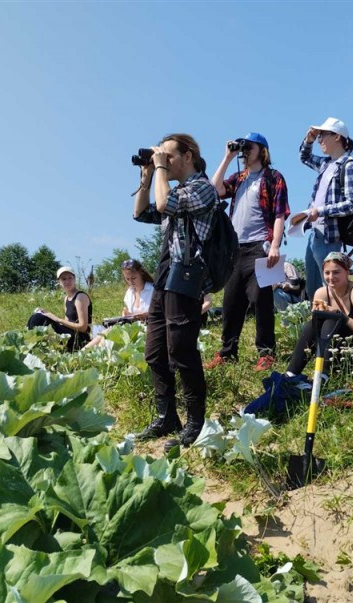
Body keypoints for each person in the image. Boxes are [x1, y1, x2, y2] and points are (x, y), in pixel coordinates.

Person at [132, 133, 217, 448]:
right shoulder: (173, 188)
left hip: (187, 276)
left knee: (182, 351)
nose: (163, 162)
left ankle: (196, 421)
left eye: (168, 156)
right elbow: (141, 212)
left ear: (189, 156)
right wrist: (146, 177)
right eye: (161, 157)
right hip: (165, 276)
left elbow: (163, 203)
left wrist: (159, 171)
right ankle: (167, 416)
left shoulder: (203, 189)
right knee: (155, 352)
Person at [205, 133, 290, 372]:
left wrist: (274, 245)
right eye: (243, 148)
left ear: (262, 150)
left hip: (259, 246)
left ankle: (266, 352)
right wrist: (227, 157)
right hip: (235, 248)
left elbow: (281, 212)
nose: (244, 151)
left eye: (248, 147)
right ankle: (227, 351)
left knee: (261, 300)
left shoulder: (273, 177)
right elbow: (215, 189)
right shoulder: (240, 177)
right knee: (231, 301)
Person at [295, 117, 353, 297]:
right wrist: (308, 139)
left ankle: (338, 320)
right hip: (315, 233)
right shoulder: (326, 164)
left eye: (323, 134)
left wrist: (321, 211)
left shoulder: (349, 165)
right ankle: (319, 321)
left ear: (337, 137)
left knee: (332, 287)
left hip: (330, 236)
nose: (319, 139)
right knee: (314, 286)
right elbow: (304, 157)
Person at [285, 252, 353, 379]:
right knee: (314, 323)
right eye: (327, 273)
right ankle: (291, 373)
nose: (331, 277)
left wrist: (339, 315)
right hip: (329, 346)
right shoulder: (322, 293)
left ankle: (323, 376)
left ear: (347, 272)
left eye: (336, 272)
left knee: (332, 320)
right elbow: (315, 329)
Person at [84, 259, 154, 349]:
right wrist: (126, 315)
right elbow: (128, 314)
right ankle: (82, 353)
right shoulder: (130, 292)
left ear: (141, 274)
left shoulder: (152, 290)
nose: (131, 282)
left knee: (109, 335)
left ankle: (90, 355)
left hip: (149, 328)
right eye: (127, 279)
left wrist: (145, 315)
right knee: (106, 332)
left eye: (133, 278)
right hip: (133, 327)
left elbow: (161, 312)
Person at [26, 266, 92, 351]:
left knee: (40, 318)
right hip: (70, 334)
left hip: (80, 339)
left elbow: (83, 328)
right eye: (64, 279)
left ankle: (31, 346)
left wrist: (57, 319)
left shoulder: (80, 297)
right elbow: (67, 323)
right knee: (38, 316)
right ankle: (32, 343)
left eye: (70, 278)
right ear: (59, 282)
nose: (67, 281)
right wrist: (49, 316)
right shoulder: (66, 299)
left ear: (74, 279)